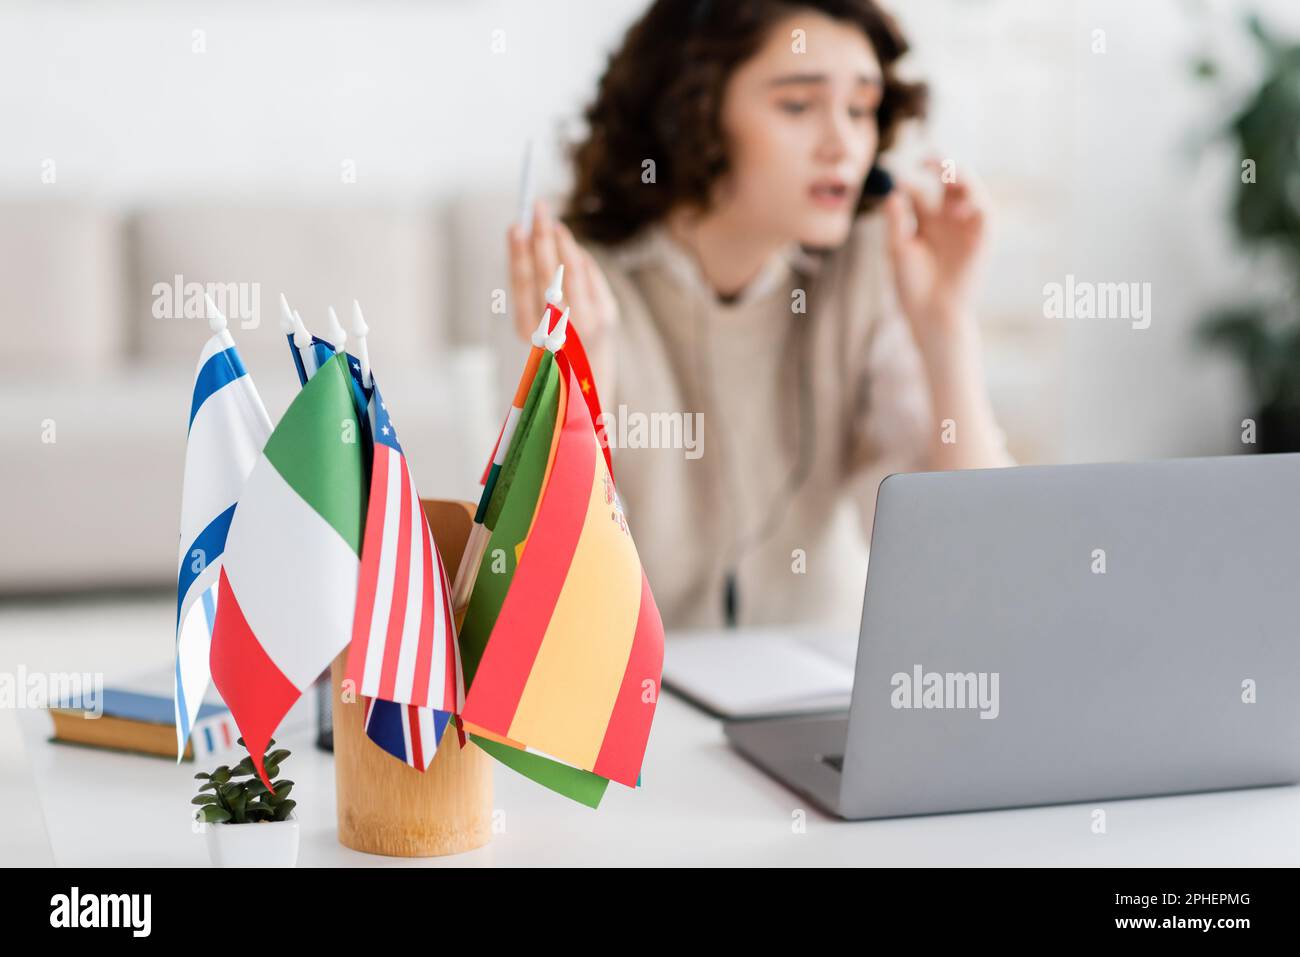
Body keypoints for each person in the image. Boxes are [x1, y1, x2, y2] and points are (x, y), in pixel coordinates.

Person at [507, 0, 1012, 631]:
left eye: (860, 109)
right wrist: (581, 382)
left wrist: (946, 327)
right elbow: (546, 614)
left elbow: (968, 563)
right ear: (693, 115)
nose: (844, 145)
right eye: (798, 106)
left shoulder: (868, 267)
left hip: (815, 684)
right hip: (641, 700)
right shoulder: (576, 284)